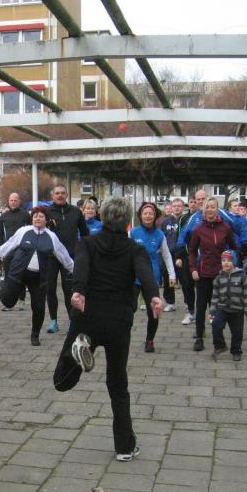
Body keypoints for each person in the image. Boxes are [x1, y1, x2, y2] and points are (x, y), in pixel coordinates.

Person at [53, 197, 164, 462]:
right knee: (118, 384)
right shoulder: (135, 249)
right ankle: (124, 447)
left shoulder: (87, 243)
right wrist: (153, 296)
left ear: (102, 217)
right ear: (128, 221)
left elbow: (81, 268)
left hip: (88, 318)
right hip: (118, 322)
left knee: (61, 382)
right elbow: (145, 273)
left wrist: (79, 291)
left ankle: (76, 359)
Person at [0, 205, 74, 346]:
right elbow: (9, 245)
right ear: (32, 218)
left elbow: (64, 255)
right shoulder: (23, 231)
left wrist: (75, 270)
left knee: (38, 307)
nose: (38, 218)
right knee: (8, 302)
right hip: (18, 273)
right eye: (35, 216)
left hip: (38, 278)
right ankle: (1, 286)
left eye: (41, 216)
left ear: (46, 219)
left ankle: (35, 334)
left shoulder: (52, 237)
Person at [188, 197, 238, 352]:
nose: (210, 209)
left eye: (213, 207)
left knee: (218, 308)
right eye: (207, 207)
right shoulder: (198, 229)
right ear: (204, 209)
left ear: (217, 209)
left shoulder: (225, 228)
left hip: (220, 274)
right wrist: (193, 269)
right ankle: (199, 337)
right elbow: (191, 251)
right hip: (203, 274)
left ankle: (218, 339)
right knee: (201, 306)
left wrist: (232, 264)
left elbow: (233, 248)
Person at [130, 202, 175, 353]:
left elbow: (167, 255)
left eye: (151, 213)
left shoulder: (160, 235)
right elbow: (125, 252)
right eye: (145, 213)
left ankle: (150, 340)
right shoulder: (133, 233)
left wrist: (172, 274)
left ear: (155, 216)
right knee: (129, 308)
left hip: (152, 277)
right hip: (134, 276)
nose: (148, 216)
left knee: (153, 311)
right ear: (140, 216)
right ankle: (123, 336)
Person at [46, 184, 89, 333]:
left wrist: (83, 251)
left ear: (67, 195)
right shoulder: (46, 212)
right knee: (50, 289)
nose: (60, 195)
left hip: (70, 256)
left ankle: (72, 321)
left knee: (69, 290)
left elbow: (85, 233)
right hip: (50, 256)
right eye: (57, 193)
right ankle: (53, 321)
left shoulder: (76, 211)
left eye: (62, 193)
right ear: (52, 195)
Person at [210, 250, 247, 361]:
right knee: (215, 325)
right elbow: (215, 295)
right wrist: (212, 310)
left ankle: (236, 351)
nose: (225, 263)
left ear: (234, 262)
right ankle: (220, 345)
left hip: (237, 309)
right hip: (222, 308)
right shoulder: (219, 278)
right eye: (223, 260)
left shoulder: (242, 276)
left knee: (237, 332)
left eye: (229, 260)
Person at [174, 189, 208, 325]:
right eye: (195, 200)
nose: (198, 202)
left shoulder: (215, 214)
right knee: (187, 285)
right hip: (189, 257)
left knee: (206, 287)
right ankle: (190, 311)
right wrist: (179, 256)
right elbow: (180, 238)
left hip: (208, 259)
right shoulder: (185, 219)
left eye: (201, 199)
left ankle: (210, 314)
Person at [0, 193, 31, 311]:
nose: (13, 202)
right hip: (8, 251)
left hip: (22, 251)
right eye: (11, 200)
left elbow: (30, 232)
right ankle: (8, 302)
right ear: (8, 201)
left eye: (15, 200)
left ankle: (21, 300)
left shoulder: (25, 215)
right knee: (8, 277)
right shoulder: (3, 216)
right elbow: (1, 235)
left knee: (21, 276)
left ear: (19, 201)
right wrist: (2, 251)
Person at [159, 197, 184, 311]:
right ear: (171, 208)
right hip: (168, 254)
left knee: (185, 280)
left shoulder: (186, 220)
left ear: (183, 208)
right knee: (167, 278)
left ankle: (188, 303)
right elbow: (160, 236)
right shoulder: (165, 222)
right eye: (174, 206)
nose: (176, 208)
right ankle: (170, 302)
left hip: (182, 254)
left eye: (179, 206)